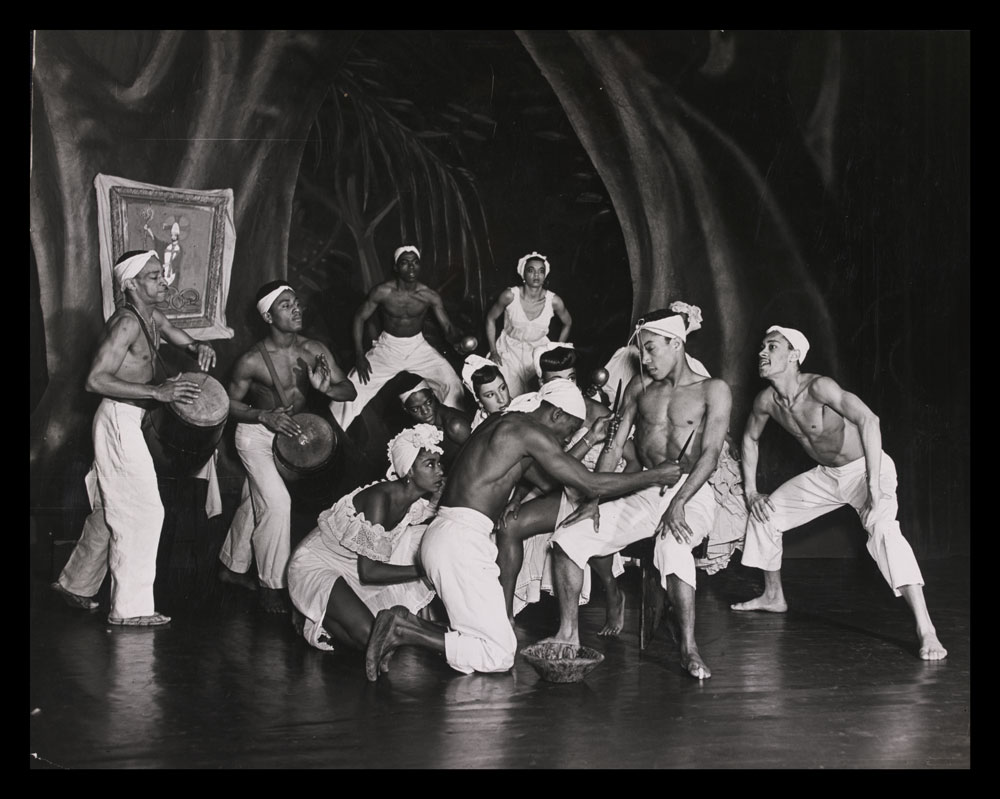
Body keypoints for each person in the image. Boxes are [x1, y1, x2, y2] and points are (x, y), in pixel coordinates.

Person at [362, 378, 682, 682]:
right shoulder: (526, 431)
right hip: (458, 542)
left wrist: (590, 438)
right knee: (498, 654)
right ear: (555, 413)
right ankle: (402, 628)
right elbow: (587, 482)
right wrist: (655, 476)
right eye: (567, 432)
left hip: (453, 537)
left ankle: (404, 626)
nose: (564, 440)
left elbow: (551, 482)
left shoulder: (506, 420)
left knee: (485, 643)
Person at [730, 326, 948, 660]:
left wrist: (873, 484)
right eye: (762, 346)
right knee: (766, 513)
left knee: (884, 530)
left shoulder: (819, 387)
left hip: (865, 469)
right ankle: (774, 596)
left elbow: (869, 421)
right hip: (827, 476)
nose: (762, 353)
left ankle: (926, 629)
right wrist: (751, 491)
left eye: (771, 347)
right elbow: (749, 439)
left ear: (793, 356)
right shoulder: (767, 402)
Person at [547, 304, 738, 680]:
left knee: (672, 546)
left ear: (676, 344)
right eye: (642, 350)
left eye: (651, 349)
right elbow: (615, 447)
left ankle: (688, 648)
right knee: (568, 537)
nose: (644, 358)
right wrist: (593, 500)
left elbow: (711, 455)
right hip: (648, 486)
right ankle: (567, 633)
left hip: (691, 491)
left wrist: (679, 503)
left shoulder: (712, 390)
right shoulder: (639, 388)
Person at [51, 250, 217, 626]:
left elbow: (182, 339)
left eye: (162, 274)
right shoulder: (125, 324)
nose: (164, 281)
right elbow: (94, 380)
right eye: (155, 276)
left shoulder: (151, 315)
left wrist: (199, 347)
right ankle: (131, 609)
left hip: (129, 417)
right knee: (143, 511)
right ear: (131, 284)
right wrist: (158, 393)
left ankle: (75, 584)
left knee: (110, 509)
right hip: (117, 418)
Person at [218, 281, 356, 614]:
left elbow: (348, 389)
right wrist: (263, 415)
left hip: (291, 435)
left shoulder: (315, 349)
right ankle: (273, 587)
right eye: (285, 305)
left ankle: (230, 567)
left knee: (258, 502)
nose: (296, 309)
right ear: (267, 316)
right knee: (277, 503)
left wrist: (327, 389)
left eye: (296, 303)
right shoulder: (251, 360)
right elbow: (226, 404)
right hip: (255, 434)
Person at [495, 344, 631, 629]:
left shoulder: (597, 413)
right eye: (556, 381)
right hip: (555, 487)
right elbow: (534, 467)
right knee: (509, 525)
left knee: (584, 525)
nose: (566, 386)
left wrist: (610, 496)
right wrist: (518, 497)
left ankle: (613, 593)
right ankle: (502, 614)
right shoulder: (541, 412)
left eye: (570, 379)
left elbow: (633, 461)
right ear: (543, 383)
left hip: (593, 488)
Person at [287, 424, 445, 652]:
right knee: (372, 637)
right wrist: (424, 570)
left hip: (350, 570)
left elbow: (424, 515)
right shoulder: (380, 500)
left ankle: (319, 617)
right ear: (409, 471)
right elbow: (369, 572)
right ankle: (314, 613)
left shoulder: (411, 500)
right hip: (314, 564)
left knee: (380, 644)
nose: (439, 471)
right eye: (430, 464)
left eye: (439, 463)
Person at [331, 246, 466, 432]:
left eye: (415, 262)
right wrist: (359, 355)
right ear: (396, 267)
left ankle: (451, 436)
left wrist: (457, 339)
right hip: (388, 347)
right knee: (353, 385)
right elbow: (359, 318)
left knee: (452, 384)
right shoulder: (383, 292)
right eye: (405, 262)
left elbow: (448, 328)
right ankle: (329, 439)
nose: (411, 267)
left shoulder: (429, 296)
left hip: (418, 347)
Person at [485, 251, 572, 398]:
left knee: (539, 396)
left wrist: (555, 349)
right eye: (531, 270)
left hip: (537, 353)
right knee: (507, 394)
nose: (536, 275)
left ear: (545, 275)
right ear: (523, 274)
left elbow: (568, 323)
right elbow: (490, 319)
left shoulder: (554, 301)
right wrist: (493, 351)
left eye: (541, 271)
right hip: (509, 351)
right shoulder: (510, 295)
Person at [397, 375, 472, 472]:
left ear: (433, 394)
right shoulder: (419, 429)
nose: (425, 412)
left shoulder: (455, 426)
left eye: (428, 402)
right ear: (405, 409)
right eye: (415, 409)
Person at [462, 354, 511, 431]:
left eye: (502, 388)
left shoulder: (526, 406)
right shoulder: (482, 432)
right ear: (479, 401)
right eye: (490, 395)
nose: (501, 399)